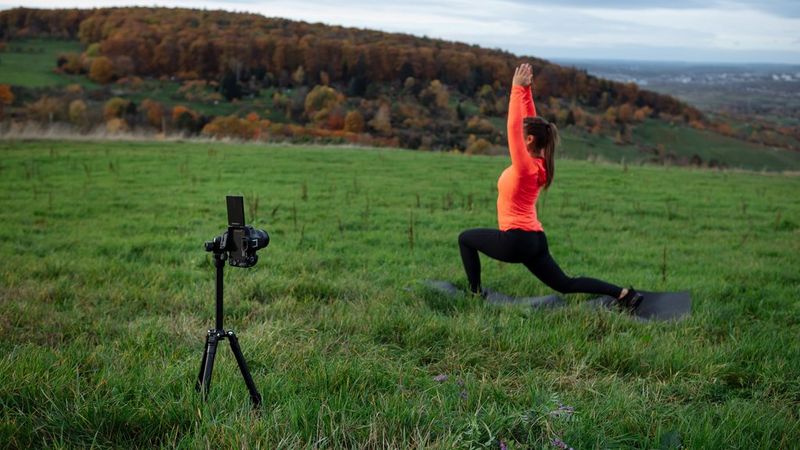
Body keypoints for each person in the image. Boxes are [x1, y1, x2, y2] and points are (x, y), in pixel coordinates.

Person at [457, 63, 643, 311]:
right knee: (565, 283)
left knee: (465, 239)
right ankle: (624, 294)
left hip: (516, 240)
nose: (519, 137)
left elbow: (514, 127)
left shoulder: (524, 167)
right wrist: (526, 91)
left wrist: (515, 89)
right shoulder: (541, 163)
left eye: (525, 135)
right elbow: (530, 122)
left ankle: (475, 294)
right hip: (535, 239)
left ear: (530, 140)